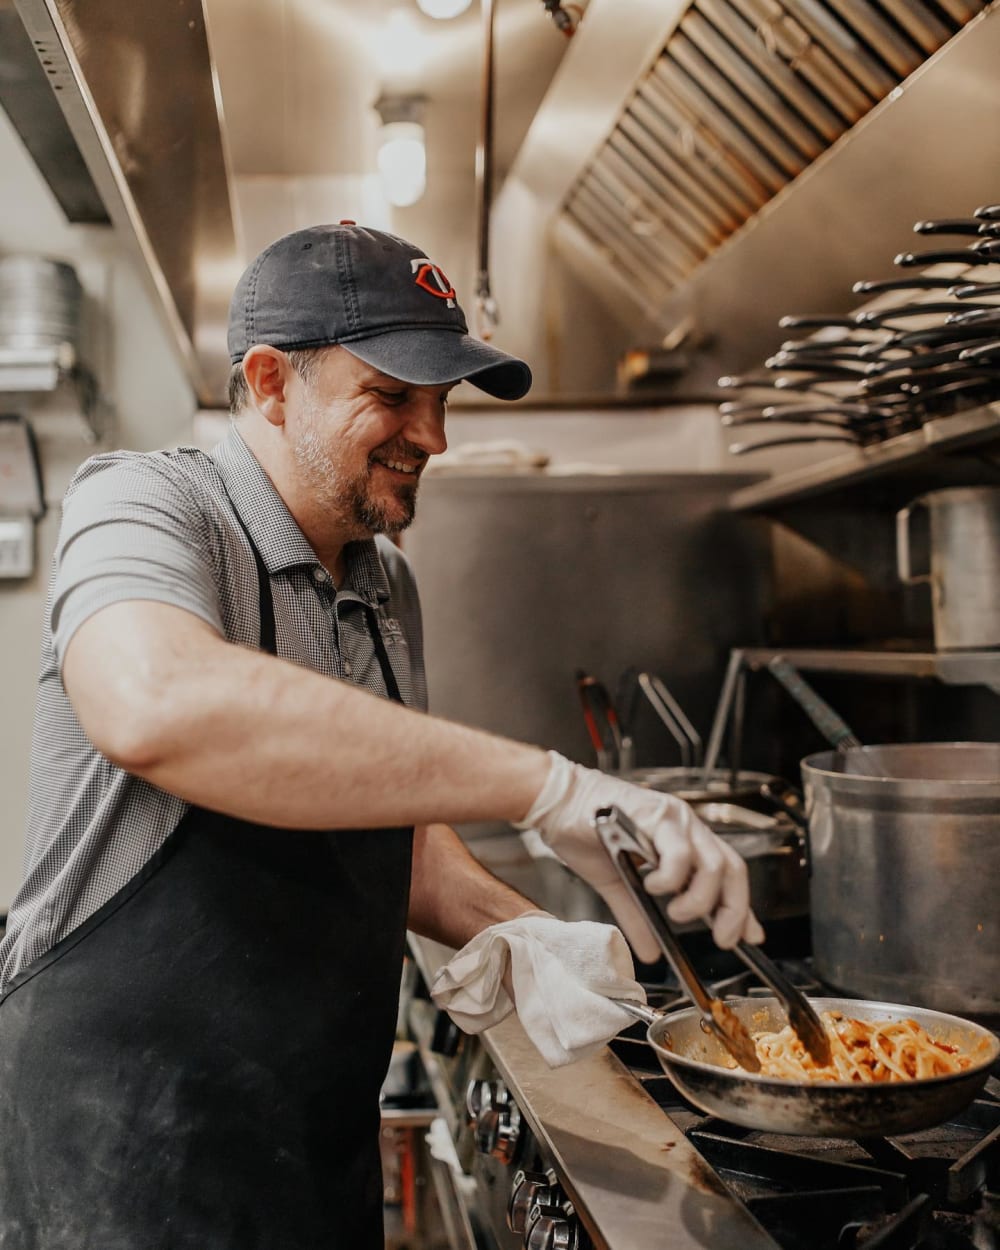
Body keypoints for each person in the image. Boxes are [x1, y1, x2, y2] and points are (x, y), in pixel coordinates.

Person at [0, 222, 762, 1249]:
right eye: (394, 395)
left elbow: (389, 831)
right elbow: (156, 703)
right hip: (125, 1168)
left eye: (442, 400)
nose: (434, 435)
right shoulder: (144, 502)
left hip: (315, 1151)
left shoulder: (383, 578)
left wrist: (524, 931)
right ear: (271, 383)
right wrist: (547, 787)